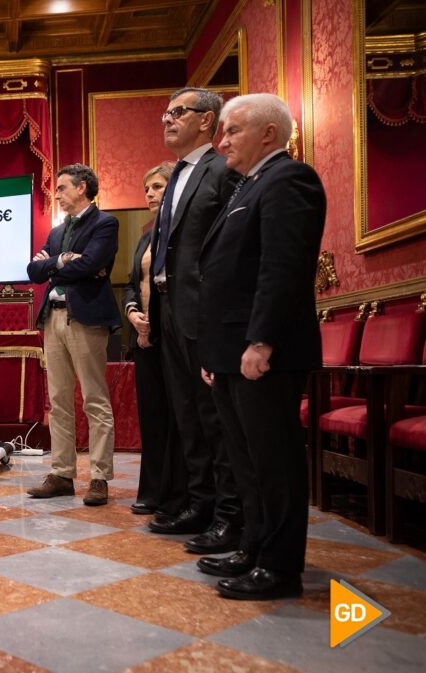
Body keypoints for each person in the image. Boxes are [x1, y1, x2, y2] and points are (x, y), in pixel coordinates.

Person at [196, 93, 325, 600]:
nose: (222, 140)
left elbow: (282, 269)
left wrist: (262, 341)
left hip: (261, 351)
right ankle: (253, 546)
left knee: (274, 463)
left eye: (232, 130)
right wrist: (215, 354)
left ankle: (280, 566)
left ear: (268, 133)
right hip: (231, 352)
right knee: (245, 460)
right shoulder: (247, 185)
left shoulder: (290, 179)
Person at [147, 87, 243, 556]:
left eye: (177, 112)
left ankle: (229, 517)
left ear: (207, 121)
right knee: (186, 417)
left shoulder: (222, 170)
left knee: (214, 419)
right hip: (168, 311)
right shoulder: (178, 174)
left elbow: (231, 244)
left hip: (204, 313)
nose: (167, 120)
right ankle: (198, 504)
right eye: (165, 113)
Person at [26, 163, 119, 505]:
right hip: (53, 319)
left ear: (82, 188)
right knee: (59, 401)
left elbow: (92, 263)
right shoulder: (55, 232)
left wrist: (58, 263)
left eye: (63, 188)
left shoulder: (105, 224)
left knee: (95, 399)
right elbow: (34, 270)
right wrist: (64, 259)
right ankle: (62, 474)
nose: (58, 195)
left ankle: (99, 477)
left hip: (86, 319)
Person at [124, 161, 178, 516]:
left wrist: (155, 322)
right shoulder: (146, 235)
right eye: (147, 189)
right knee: (153, 417)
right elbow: (132, 283)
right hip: (144, 337)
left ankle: (179, 496)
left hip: (174, 336)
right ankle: (153, 491)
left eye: (157, 187)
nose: (150, 194)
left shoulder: (181, 230)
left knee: (178, 418)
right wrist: (132, 314)